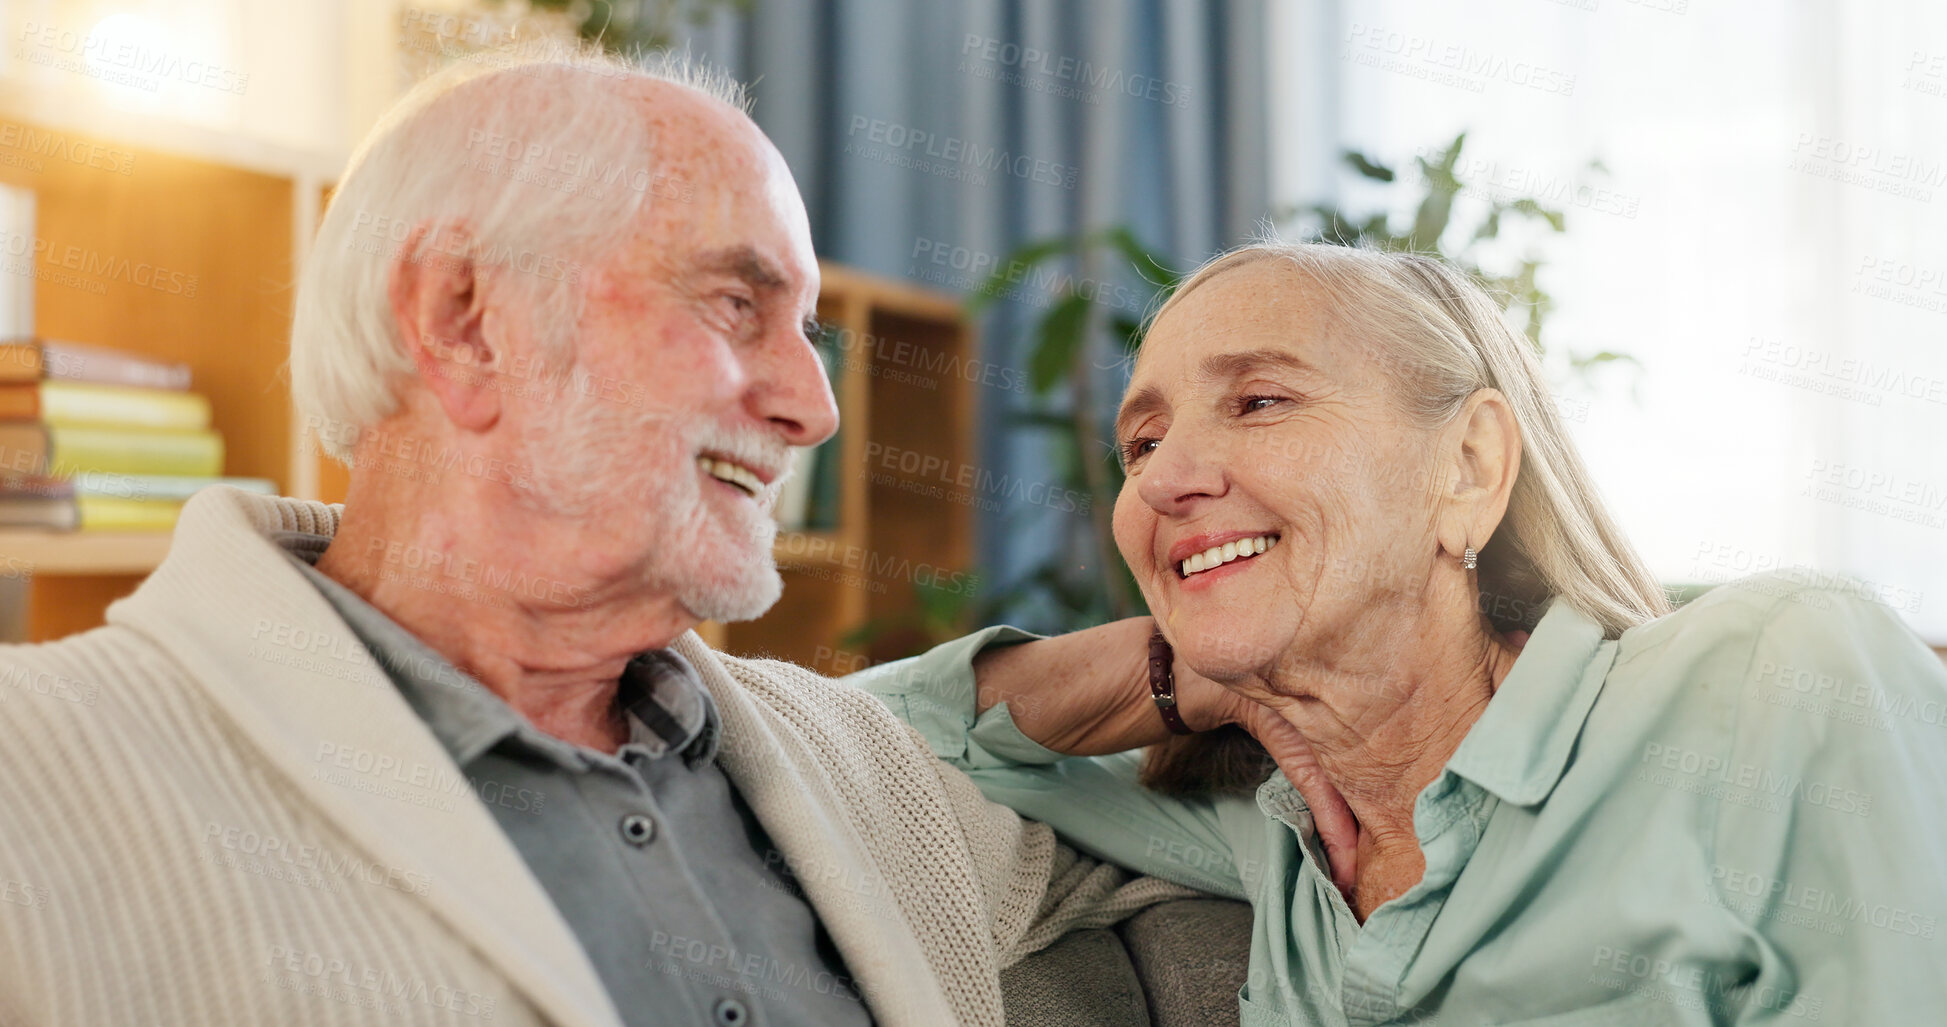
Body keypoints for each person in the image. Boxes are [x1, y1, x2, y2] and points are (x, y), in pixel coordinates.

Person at [0, 49, 1205, 1027]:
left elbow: (1283, 857)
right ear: (464, 321)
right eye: (737, 304)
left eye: (810, 329)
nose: (817, 405)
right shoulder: (42, 771)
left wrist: (1217, 656)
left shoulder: (837, 758)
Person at [853, 241, 1947, 1023]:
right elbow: (849, 743)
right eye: (1139, 443)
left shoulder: (1779, 681)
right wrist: (1173, 670)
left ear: (1467, 469)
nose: (1167, 479)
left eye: (1262, 402)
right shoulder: (1256, 827)